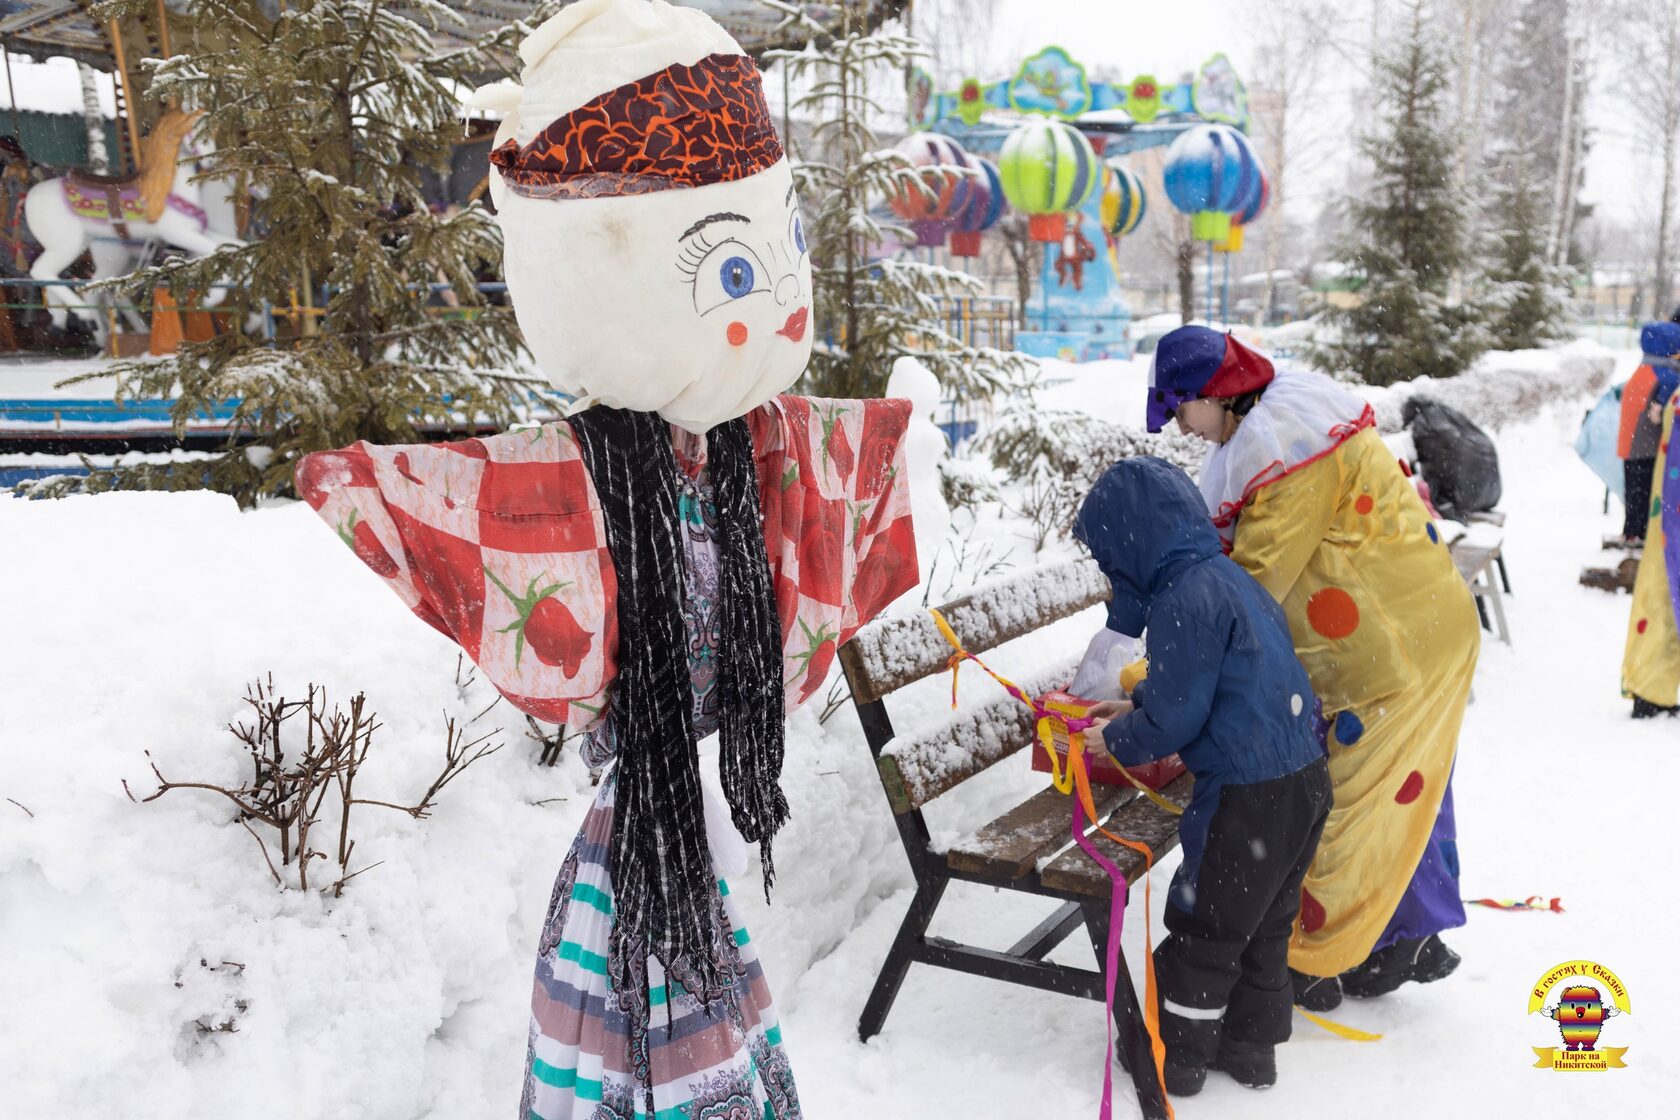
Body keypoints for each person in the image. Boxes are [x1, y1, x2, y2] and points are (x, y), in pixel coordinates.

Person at [294, 3, 919, 1117]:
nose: (781, 304)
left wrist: (886, 445)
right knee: (647, 1026)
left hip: (684, 827)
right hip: (644, 832)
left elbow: (830, 487)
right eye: (734, 271)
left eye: (781, 251)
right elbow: (486, 517)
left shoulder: (748, 456)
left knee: (692, 1004)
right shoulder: (593, 478)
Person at [1147, 325, 1480, 1009]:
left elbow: (1249, 586)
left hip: (1388, 661)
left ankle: (1322, 958)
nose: (1181, 428)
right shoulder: (1292, 425)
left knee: (1349, 805)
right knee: (1409, 790)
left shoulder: (1286, 457)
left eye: (1181, 409)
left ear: (1215, 396)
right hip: (1421, 629)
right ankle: (1408, 932)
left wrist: (1159, 669)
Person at [1075, 457, 1331, 1097]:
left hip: (1247, 798)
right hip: (1302, 783)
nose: (1111, 574)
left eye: (1110, 559)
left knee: (1207, 929)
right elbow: (1219, 685)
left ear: (1131, 548)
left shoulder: (1183, 600)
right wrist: (1136, 706)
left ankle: (1176, 1058)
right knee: (1265, 924)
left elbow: (1179, 716)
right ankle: (1251, 1051)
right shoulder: (1227, 578)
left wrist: (1122, 735)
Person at [1621, 327, 1680, 718]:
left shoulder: (1664, 383)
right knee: (1665, 597)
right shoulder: (1670, 386)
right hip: (1670, 517)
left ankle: (1653, 688)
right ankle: (1651, 690)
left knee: (1663, 594)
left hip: (1667, 513)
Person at [1615, 323, 1680, 547]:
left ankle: (1631, 531)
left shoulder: (1646, 367)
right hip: (1645, 445)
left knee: (1634, 491)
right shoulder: (1665, 373)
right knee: (1644, 491)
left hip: (1631, 442)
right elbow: (1667, 399)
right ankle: (1640, 534)